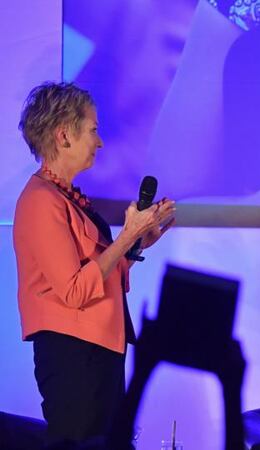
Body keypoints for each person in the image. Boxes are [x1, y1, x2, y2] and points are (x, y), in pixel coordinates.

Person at [13, 82, 176, 446]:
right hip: (74, 356)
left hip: (100, 348)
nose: (99, 142)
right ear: (64, 136)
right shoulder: (40, 201)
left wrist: (136, 241)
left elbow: (97, 271)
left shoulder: (68, 197)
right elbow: (74, 291)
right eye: (93, 130)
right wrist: (123, 238)